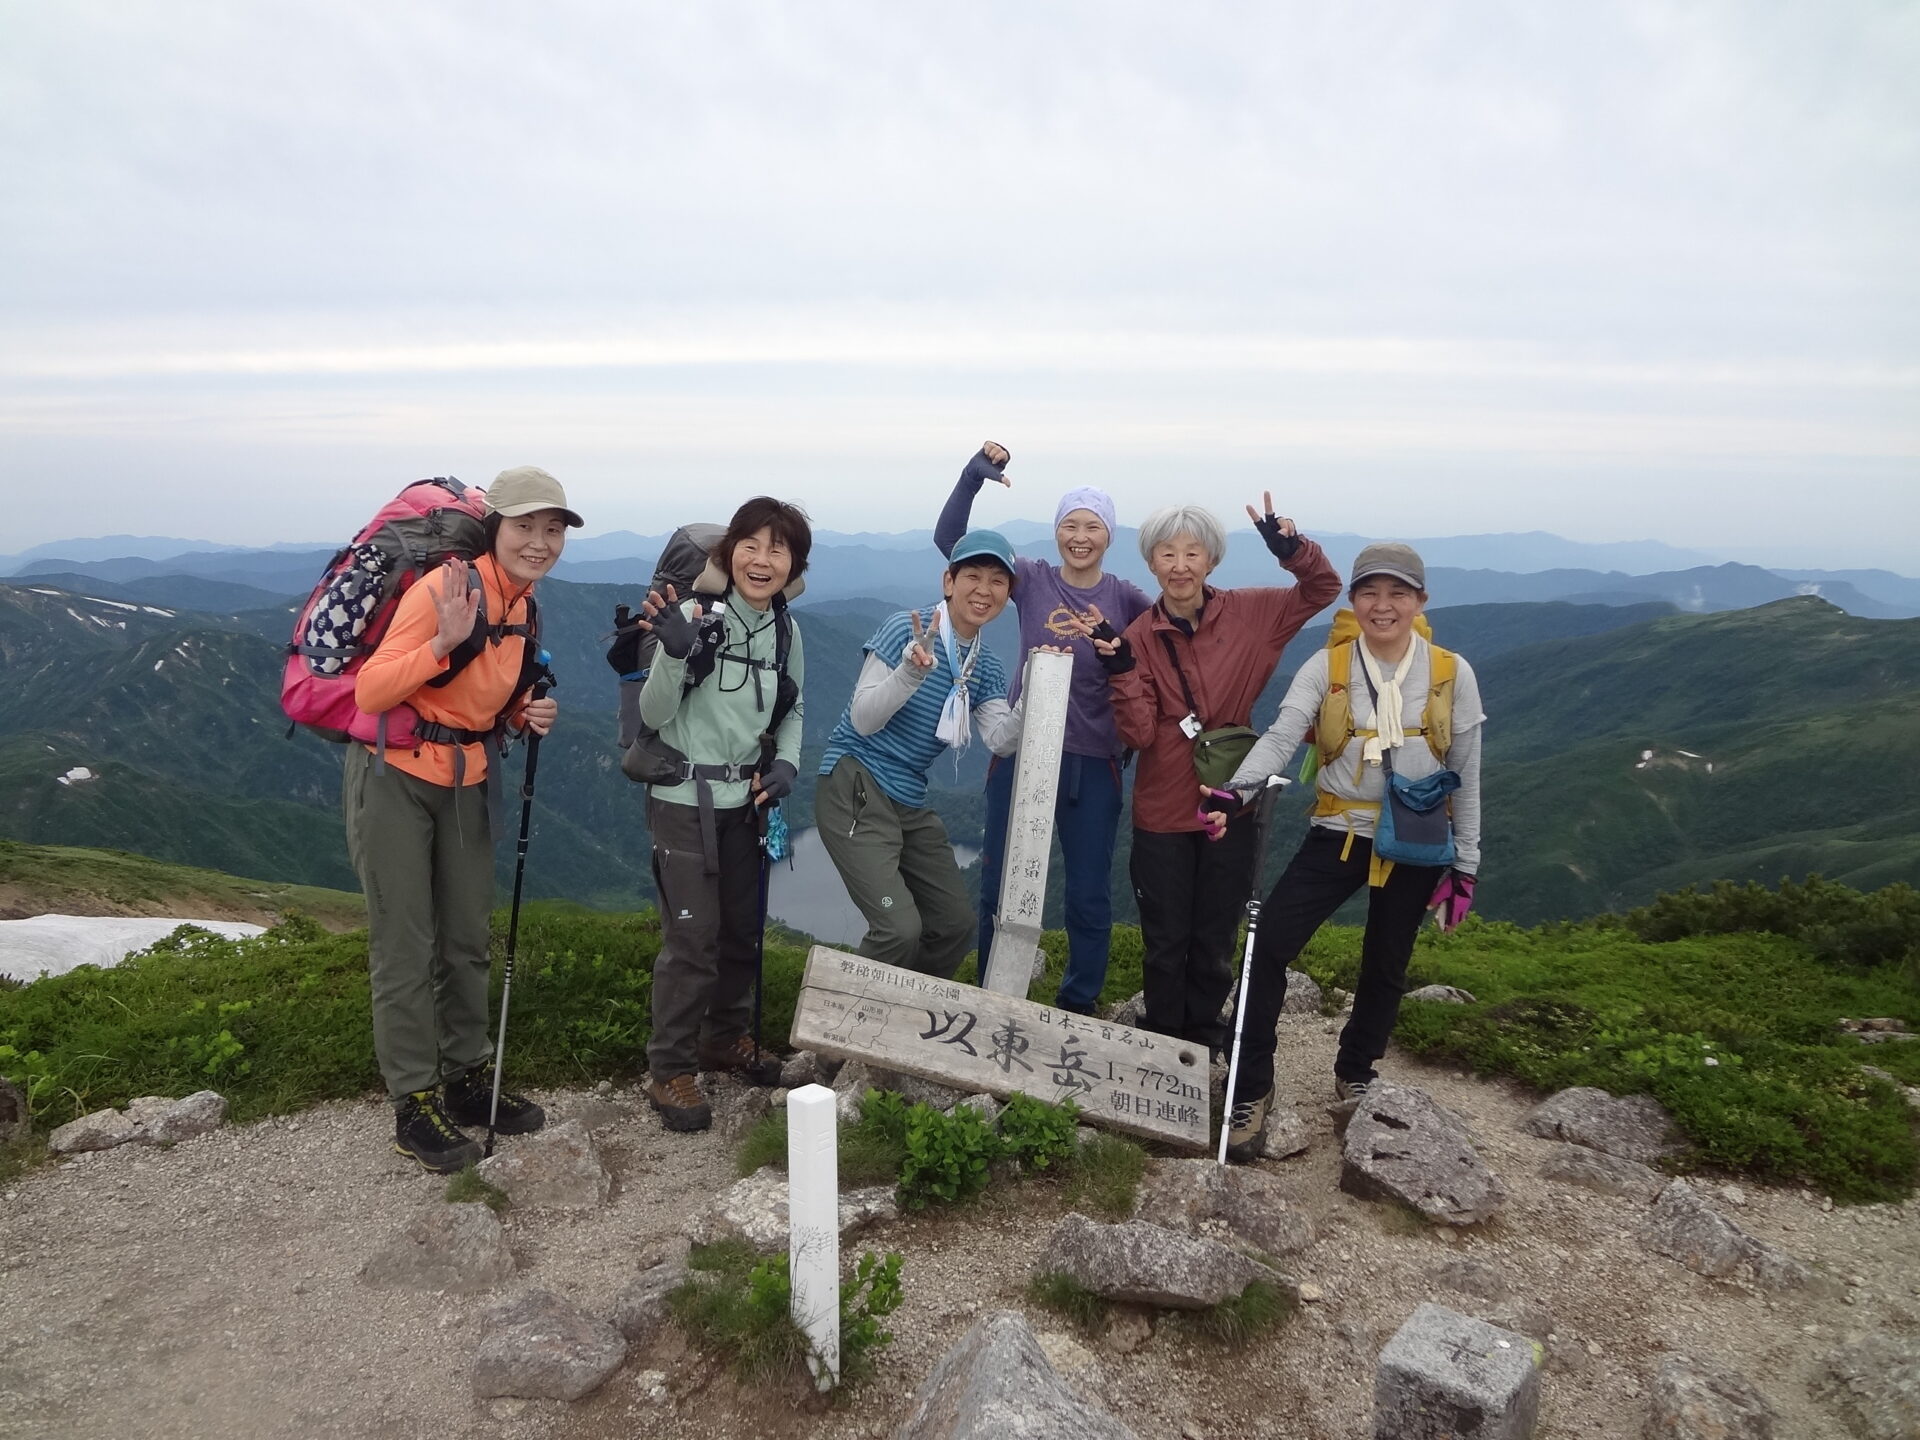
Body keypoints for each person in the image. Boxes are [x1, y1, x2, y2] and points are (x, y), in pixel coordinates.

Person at [1206, 542, 1484, 1161]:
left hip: (1416, 838)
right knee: (1266, 946)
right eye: (1370, 593)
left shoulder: (1450, 673)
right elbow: (1281, 735)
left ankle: (1357, 1071)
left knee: (1386, 961)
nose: (1383, 606)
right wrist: (1237, 790)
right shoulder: (1328, 665)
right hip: (1339, 830)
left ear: (1420, 601)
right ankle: (1251, 1085)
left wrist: (1465, 864)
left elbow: (1466, 772)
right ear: (1354, 600)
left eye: (1398, 593)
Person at [346, 465, 580, 1172]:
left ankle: (467, 1078)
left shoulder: (525, 607)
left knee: (466, 941)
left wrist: (524, 712)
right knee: (405, 945)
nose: (539, 542)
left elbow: (479, 701)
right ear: (495, 528)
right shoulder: (446, 589)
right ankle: (414, 1101)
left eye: (552, 529)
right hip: (394, 778)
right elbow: (371, 690)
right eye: (525, 526)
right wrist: (441, 643)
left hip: (466, 778)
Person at [1081, 497, 1339, 1053]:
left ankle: (1200, 1040)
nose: (1180, 565)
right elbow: (1138, 735)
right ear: (1151, 562)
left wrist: (1292, 550)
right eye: (1166, 553)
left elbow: (1322, 589)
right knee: (1165, 937)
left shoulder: (1252, 613)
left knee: (1216, 933)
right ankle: (1162, 1043)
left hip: (1231, 799)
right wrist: (1122, 671)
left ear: (1212, 559)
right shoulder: (1138, 637)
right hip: (1162, 807)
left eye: (1192, 552)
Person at [933, 443, 1152, 1012]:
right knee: (998, 885)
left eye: (1093, 526)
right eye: (1070, 525)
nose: (1080, 537)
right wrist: (971, 478)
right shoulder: (1032, 579)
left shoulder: (1127, 598)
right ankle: (993, 998)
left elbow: (1172, 642)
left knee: (1087, 893)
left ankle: (1078, 1005)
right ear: (1056, 532)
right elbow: (952, 544)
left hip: (1093, 760)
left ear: (1109, 535)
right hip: (1021, 751)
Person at [633, 497, 811, 1133]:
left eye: (778, 549)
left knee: (741, 930)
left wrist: (787, 764)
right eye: (751, 545)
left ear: (794, 565)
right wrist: (673, 653)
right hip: (684, 799)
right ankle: (668, 1069)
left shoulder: (785, 630)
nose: (762, 560)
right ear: (728, 553)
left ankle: (724, 1037)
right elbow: (653, 715)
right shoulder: (693, 616)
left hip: (747, 804)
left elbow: (792, 707)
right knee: (693, 941)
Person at [817, 530, 1033, 980]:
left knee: (955, 926)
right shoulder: (906, 629)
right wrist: (909, 674)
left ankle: (901, 1010)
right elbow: (862, 718)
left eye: (998, 581)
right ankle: (847, 1019)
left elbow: (1000, 739)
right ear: (948, 581)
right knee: (898, 930)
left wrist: (1034, 690)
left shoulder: (985, 665)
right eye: (972, 576)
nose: (984, 589)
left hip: (908, 799)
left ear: (1008, 594)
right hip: (855, 783)